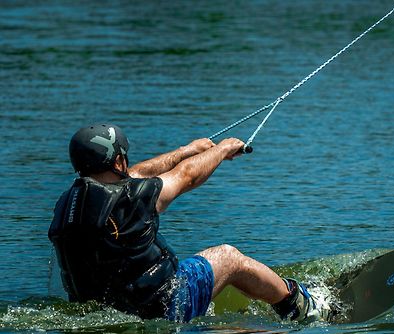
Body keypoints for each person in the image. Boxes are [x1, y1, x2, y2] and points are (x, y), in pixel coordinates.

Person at [49, 123, 332, 323]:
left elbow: (135, 174)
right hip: (162, 307)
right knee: (228, 257)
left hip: (104, 309)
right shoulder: (133, 199)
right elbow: (186, 177)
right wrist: (221, 150)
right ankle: (303, 307)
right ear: (118, 161)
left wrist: (186, 150)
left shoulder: (70, 202)